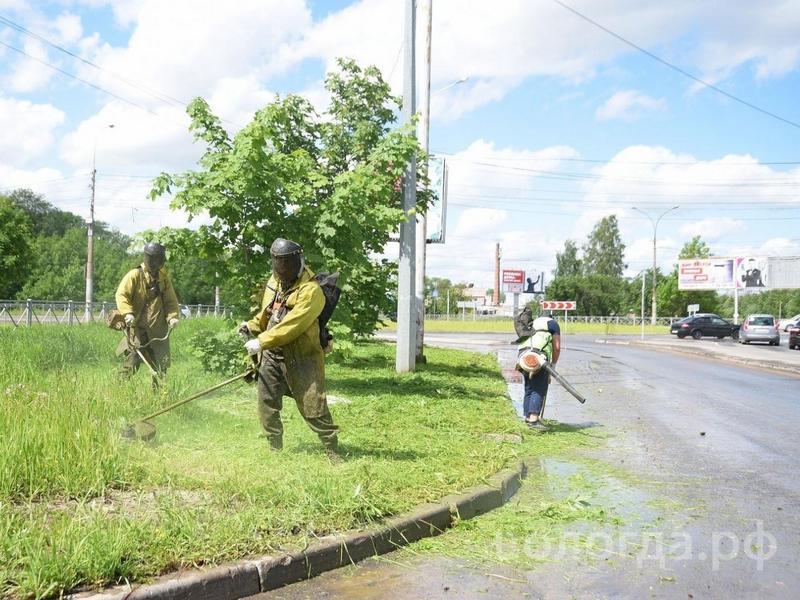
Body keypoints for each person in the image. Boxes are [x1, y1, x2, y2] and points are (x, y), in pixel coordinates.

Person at [240, 238, 339, 456]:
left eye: (287, 265)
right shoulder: (275, 282)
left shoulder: (311, 291)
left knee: (313, 406)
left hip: (302, 357)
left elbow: (293, 325)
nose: (283, 270)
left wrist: (261, 341)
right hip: (272, 356)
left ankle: (332, 448)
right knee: (267, 403)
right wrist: (251, 325)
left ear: (298, 261)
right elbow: (269, 313)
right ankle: (275, 449)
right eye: (279, 265)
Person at [115, 242, 180, 383]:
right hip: (137, 328)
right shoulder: (134, 275)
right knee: (132, 362)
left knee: (160, 367)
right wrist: (127, 313)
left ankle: (160, 396)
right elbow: (122, 295)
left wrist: (172, 317)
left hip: (158, 330)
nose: (156, 262)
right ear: (148, 258)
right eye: (154, 259)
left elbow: (171, 301)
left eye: (158, 259)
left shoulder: (163, 279)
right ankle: (119, 389)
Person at [520, 313, 560, 427]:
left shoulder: (532, 323)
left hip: (523, 356)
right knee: (538, 388)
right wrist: (553, 365)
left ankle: (528, 417)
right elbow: (556, 347)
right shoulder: (552, 324)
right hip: (538, 357)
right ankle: (533, 420)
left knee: (529, 387)